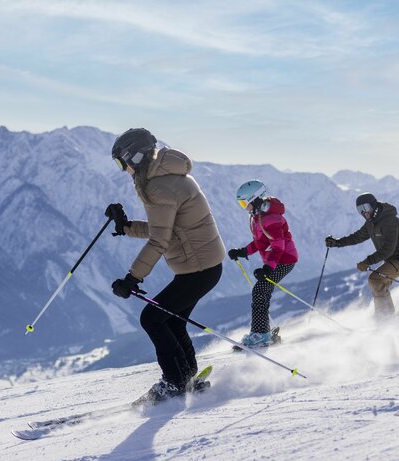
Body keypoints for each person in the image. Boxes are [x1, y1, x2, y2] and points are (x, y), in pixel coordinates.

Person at [106, 128, 225, 404]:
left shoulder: (159, 187)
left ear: (133, 158)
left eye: (120, 163)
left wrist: (132, 278)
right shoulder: (167, 178)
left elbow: (160, 239)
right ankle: (186, 377)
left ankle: (174, 383)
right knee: (170, 320)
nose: (123, 170)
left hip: (198, 269)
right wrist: (126, 226)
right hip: (204, 266)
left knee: (152, 318)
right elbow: (166, 229)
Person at [226, 180, 298, 348]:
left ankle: (260, 334)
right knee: (261, 290)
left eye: (245, 203)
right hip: (275, 259)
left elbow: (278, 246)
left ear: (255, 199)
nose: (244, 207)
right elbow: (261, 242)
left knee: (260, 290)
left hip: (284, 259)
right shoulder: (257, 217)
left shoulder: (271, 218)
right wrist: (243, 252)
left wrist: (267, 268)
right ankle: (263, 332)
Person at [325, 192, 399, 320]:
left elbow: (388, 249)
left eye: (365, 208)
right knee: (379, 283)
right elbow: (358, 237)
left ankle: (384, 317)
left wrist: (367, 262)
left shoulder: (389, 221)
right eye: (359, 210)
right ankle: (389, 316)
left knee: (375, 279)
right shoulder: (371, 222)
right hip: (392, 258)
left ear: (374, 206)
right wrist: (337, 242)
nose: (363, 212)